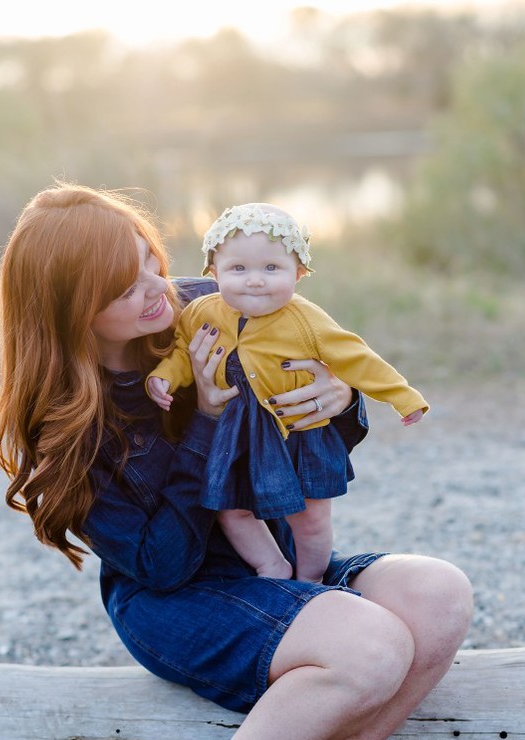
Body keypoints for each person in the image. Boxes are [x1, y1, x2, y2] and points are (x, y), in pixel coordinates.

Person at [0, 182, 473, 740]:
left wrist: (339, 398)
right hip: (175, 597)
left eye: (152, 261)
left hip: (269, 562)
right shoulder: (64, 425)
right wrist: (205, 424)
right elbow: (165, 561)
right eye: (125, 287)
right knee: (371, 647)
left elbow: (316, 412)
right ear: (70, 308)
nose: (160, 291)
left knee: (439, 596)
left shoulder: (216, 306)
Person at [147, 203, 429, 582]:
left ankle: (311, 578)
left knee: (311, 517)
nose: (255, 280)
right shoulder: (202, 312)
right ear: (214, 273)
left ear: (299, 273)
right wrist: (164, 376)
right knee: (232, 509)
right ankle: (271, 565)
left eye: (271, 268)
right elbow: (184, 350)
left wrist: (403, 397)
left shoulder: (306, 320)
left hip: (297, 431)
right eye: (238, 269)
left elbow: (356, 358)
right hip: (238, 431)